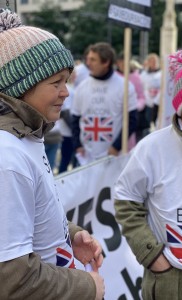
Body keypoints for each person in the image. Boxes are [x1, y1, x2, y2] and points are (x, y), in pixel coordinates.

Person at [0, 9, 104, 300]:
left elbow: (29, 213)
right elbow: (13, 280)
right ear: (21, 86)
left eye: (66, 81)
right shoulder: (7, 156)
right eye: (55, 82)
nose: (66, 92)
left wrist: (70, 234)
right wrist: (88, 288)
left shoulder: (28, 135)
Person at [114, 49, 182, 300]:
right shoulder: (153, 147)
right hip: (174, 277)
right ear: (180, 106)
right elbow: (126, 200)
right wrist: (151, 255)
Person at [71, 42, 137, 165]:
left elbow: (131, 121)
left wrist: (116, 147)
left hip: (113, 156)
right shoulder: (81, 87)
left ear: (106, 62)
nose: (88, 63)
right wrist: (78, 145)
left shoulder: (125, 86)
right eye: (87, 59)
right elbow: (75, 119)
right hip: (86, 156)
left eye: (93, 60)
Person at [116, 53, 146, 145]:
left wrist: (136, 106)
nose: (123, 65)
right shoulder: (114, 77)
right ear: (117, 63)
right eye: (121, 63)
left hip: (130, 114)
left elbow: (141, 97)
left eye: (125, 63)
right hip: (116, 115)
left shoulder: (136, 78)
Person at [140, 53, 162, 132]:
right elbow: (140, 88)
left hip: (159, 104)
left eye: (155, 61)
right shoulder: (143, 75)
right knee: (148, 125)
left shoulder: (162, 74)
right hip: (147, 104)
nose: (154, 63)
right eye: (152, 61)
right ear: (148, 62)